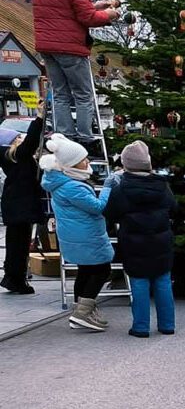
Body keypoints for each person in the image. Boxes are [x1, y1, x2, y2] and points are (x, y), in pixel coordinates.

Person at [31, 0, 120, 145]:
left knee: (61, 93)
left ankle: (64, 137)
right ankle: (85, 138)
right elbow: (87, 18)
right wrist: (109, 15)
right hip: (70, 47)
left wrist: (98, 5)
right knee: (83, 94)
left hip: (47, 46)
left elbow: (64, 10)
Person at [39, 134, 117, 331]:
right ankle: (82, 312)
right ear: (71, 165)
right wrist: (108, 187)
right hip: (85, 235)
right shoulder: (72, 186)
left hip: (76, 235)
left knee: (86, 270)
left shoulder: (62, 181)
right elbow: (97, 206)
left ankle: (81, 312)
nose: (87, 161)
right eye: (83, 160)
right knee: (101, 270)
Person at [103, 141, 177, 337]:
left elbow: (110, 214)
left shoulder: (121, 189)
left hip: (133, 242)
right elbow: (174, 208)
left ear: (126, 164)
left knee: (139, 282)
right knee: (162, 280)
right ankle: (167, 325)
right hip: (161, 241)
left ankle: (141, 326)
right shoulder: (162, 186)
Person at [1, 109, 46, 294]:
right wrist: (39, 119)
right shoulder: (18, 156)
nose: (21, 139)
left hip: (15, 207)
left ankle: (13, 277)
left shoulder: (17, 159)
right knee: (18, 245)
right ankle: (15, 279)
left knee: (15, 243)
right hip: (20, 207)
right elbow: (31, 142)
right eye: (18, 137)